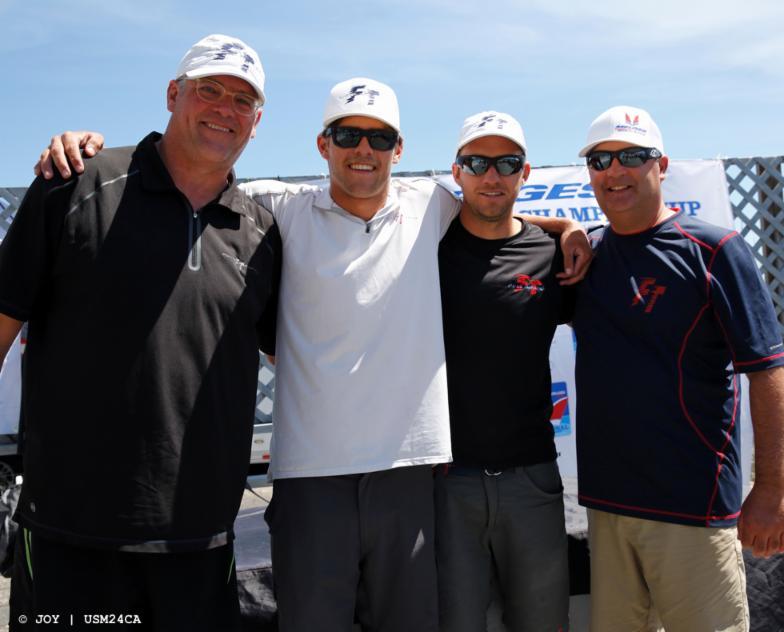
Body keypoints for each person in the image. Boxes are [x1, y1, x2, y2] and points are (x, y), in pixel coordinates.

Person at [34, 80, 592, 632]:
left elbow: (494, 211)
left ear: (399, 150)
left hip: (409, 474)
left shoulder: (431, 204)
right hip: (310, 477)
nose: (363, 151)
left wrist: (566, 226)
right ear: (323, 145)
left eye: (379, 138)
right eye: (348, 135)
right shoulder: (276, 205)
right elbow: (189, 177)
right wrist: (96, 156)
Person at [0, 34, 281, 631]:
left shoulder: (261, 233)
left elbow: (305, 357)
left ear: (256, 124)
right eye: (210, 89)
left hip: (200, 542)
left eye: (242, 100)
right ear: (174, 94)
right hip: (71, 534)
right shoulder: (74, 184)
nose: (224, 109)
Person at [572, 105, 784, 632]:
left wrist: (773, 489)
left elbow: (768, 371)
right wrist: (563, 227)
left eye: (632, 156)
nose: (615, 170)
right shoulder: (591, 255)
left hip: (691, 507)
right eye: (601, 159)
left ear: (661, 164)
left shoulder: (714, 250)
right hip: (608, 509)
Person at [435, 111, 571, 632]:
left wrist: (571, 226)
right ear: (457, 171)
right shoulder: (427, 249)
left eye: (506, 163)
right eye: (477, 163)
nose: (491, 176)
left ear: (525, 172)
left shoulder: (553, 252)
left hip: (532, 479)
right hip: (448, 482)